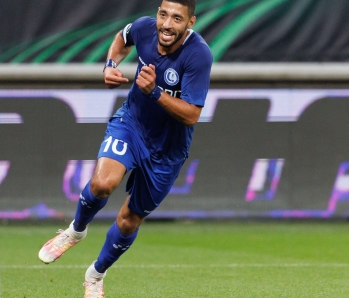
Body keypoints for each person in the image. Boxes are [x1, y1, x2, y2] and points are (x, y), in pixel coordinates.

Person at [39, 0, 212, 296]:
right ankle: (75, 231)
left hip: (167, 150)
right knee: (103, 183)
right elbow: (122, 37)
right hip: (132, 124)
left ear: (190, 23)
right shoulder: (145, 28)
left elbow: (192, 114)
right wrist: (110, 65)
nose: (167, 25)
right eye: (163, 15)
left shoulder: (198, 56)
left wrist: (155, 92)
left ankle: (95, 275)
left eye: (177, 19)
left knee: (129, 219)